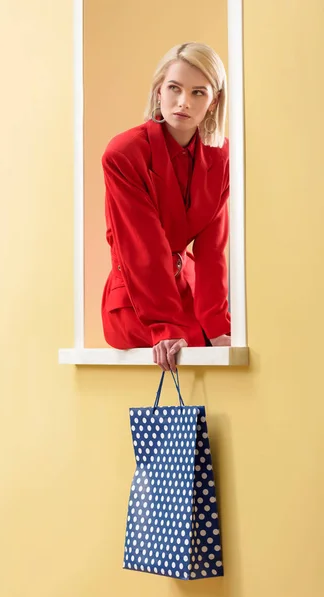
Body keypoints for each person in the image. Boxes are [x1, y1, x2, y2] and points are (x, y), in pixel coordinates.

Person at [101, 42, 231, 371]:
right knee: (182, 353)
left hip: (190, 297)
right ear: (159, 90)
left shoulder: (222, 156)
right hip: (136, 300)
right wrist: (164, 326)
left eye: (198, 93)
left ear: (213, 101)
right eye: (174, 88)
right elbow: (141, 246)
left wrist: (218, 324)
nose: (184, 102)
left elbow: (212, 249)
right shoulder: (124, 154)